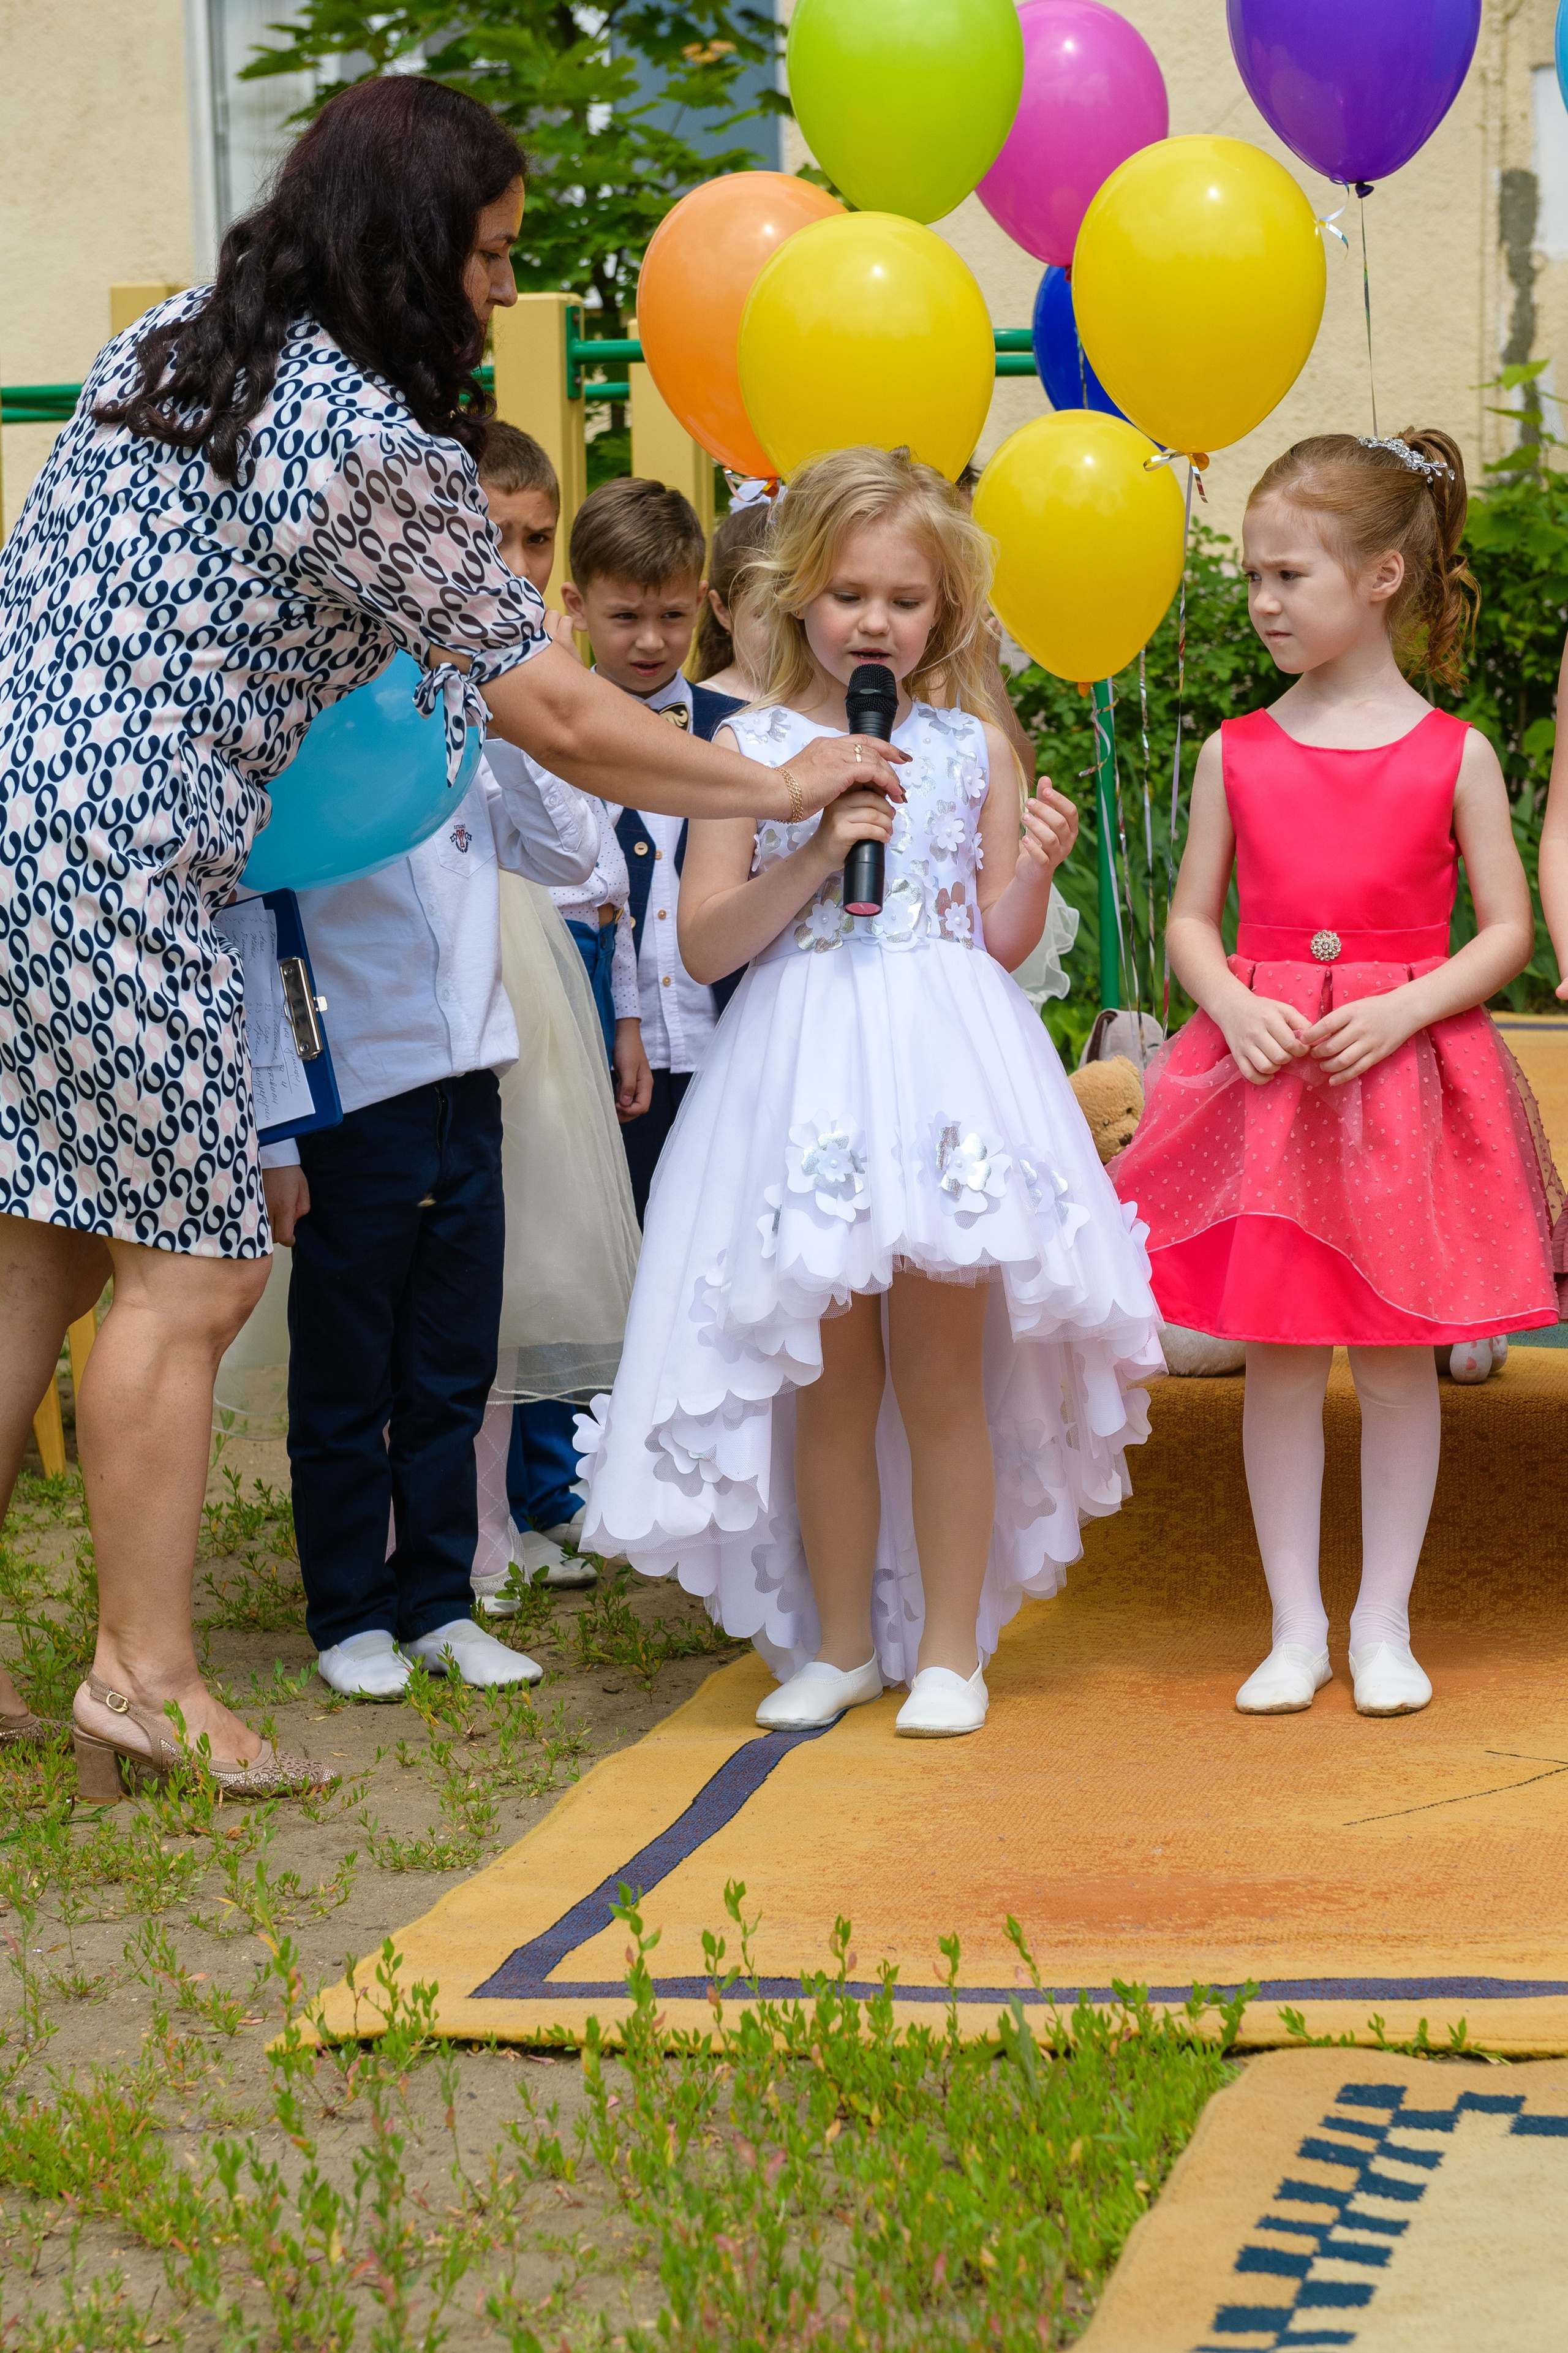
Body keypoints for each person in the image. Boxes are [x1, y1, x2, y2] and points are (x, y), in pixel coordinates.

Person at [0, 76, 902, 1793]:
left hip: (12, 818)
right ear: (416, 248)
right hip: (128, 859)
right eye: (488, 257)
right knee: (190, 1274)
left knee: (34, 1257)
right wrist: (773, 777)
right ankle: (149, 1673)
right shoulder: (361, 441)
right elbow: (558, 713)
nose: (500, 291)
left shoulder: (177, 350)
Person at [577, 445, 1164, 1739]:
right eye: (849, 594)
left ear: (942, 609)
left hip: (944, 1070)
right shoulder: (746, 748)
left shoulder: (969, 746)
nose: (875, 622)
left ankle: (950, 1648)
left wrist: (1034, 876)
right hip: (800, 1074)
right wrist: (818, 849)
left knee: (940, 1374)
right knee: (829, 1383)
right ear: (796, 596)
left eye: (904, 599)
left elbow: (993, 936)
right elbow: (705, 942)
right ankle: (838, 1642)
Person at [1112, 430, 1562, 1723]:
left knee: (1397, 1359)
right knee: (1277, 1355)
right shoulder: (1232, 752)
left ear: (1377, 577)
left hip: (1397, 1090)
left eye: (1284, 575)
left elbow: (1502, 931)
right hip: (1273, 1087)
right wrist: (1230, 1001)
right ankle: (1292, 1624)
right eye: (1251, 576)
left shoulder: (1453, 754)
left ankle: (1381, 1621)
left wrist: (1405, 1008)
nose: (1259, 601)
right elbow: (1191, 920)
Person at [557, 480, 748, 1223]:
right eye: (624, 617)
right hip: (607, 1055)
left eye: (671, 616)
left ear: (701, 602)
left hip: (729, 1040)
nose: (650, 640)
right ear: (575, 606)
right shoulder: (556, 738)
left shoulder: (744, 731)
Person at [690, 497, 773, 700]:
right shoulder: (703, 706)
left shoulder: (832, 702)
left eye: (795, 612)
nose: (786, 633)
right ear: (722, 610)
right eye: (764, 616)